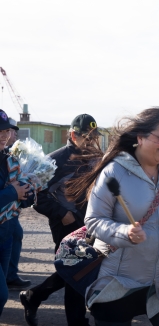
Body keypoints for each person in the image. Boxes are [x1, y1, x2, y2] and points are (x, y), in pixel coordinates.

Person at [73, 107, 159, 326]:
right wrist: (124, 232)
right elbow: (93, 220)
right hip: (119, 283)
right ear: (140, 138)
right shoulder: (114, 172)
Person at [20, 114, 103, 326]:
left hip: (91, 223)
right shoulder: (54, 161)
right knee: (73, 270)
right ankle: (76, 321)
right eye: (87, 137)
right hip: (66, 224)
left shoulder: (96, 158)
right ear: (73, 135)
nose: (91, 142)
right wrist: (62, 214)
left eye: (94, 137)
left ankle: (34, 296)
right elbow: (37, 196)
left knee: (78, 270)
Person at [0, 110, 37, 316]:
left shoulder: (10, 159)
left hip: (6, 232)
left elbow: (22, 196)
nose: (4, 135)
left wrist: (28, 193)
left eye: (6, 130)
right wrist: (13, 191)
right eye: (0, 131)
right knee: (1, 295)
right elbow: (12, 191)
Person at [3, 119, 32, 290]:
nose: (11, 135)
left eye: (11, 131)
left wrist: (29, 188)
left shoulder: (10, 157)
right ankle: (9, 277)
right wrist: (13, 191)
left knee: (15, 235)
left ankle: (10, 275)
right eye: (8, 131)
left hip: (10, 212)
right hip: (5, 213)